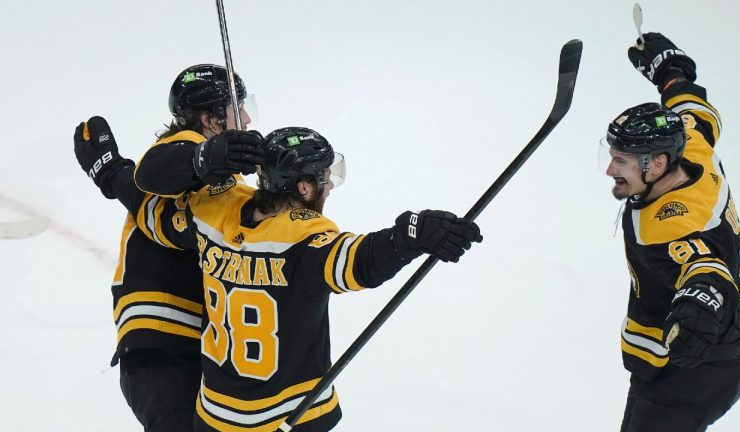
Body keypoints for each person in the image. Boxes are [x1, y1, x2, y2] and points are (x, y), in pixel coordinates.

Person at [76, 121, 482, 431]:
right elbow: (360, 262)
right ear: (304, 188)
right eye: (325, 179)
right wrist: (411, 234)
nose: (330, 187)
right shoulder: (304, 237)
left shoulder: (213, 210)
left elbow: (151, 208)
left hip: (216, 415)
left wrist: (112, 174)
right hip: (292, 413)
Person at [73, 64, 262, 431]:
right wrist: (212, 157)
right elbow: (154, 172)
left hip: (194, 345)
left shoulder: (215, 173)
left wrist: (112, 173)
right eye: (237, 106)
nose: (248, 116)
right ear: (210, 119)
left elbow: (137, 188)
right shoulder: (182, 154)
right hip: (162, 343)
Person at [603, 32, 740, 431]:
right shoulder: (691, 143)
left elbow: (704, 268)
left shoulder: (669, 225)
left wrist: (701, 301)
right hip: (674, 360)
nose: (610, 171)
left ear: (655, 164)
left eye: (620, 161)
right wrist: (672, 74)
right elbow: (694, 109)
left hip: (694, 367)